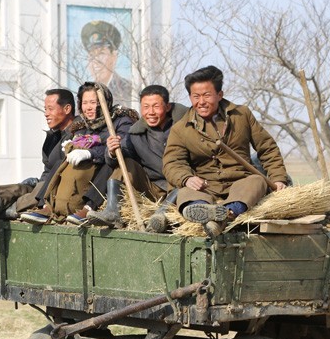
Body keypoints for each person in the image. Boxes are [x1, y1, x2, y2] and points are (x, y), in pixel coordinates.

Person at [162, 65, 289, 238]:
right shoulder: (180, 128)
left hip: (240, 182)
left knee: (257, 181)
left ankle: (226, 213)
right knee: (184, 193)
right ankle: (204, 211)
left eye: (207, 95)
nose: (201, 102)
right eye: (195, 96)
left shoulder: (242, 115)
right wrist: (187, 178)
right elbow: (172, 163)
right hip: (205, 187)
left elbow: (267, 147)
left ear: (219, 95)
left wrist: (278, 178)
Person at [20, 82, 137, 225]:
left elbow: (123, 144)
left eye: (93, 102)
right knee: (60, 161)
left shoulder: (121, 121)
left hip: (106, 167)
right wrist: (72, 147)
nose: (88, 107)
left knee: (111, 165)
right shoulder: (83, 126)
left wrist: (92, 153)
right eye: (84, 103)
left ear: (104, 102)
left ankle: (88, 208)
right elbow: (79, 142)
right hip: (87, 172)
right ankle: (45, 206)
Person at [0, 89, 76, 229]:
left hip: (57, 189)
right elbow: (47, 169)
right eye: (45, 109)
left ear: (67, 109)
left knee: (28, 198)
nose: (46, 114)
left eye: (50, 109)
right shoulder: (54, 136)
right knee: (12, 190)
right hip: (44, 183)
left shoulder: (78, 135)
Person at [86, 85, 187, 232]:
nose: (150, 112)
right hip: (154, 188)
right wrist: (112, 151)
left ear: (167, 107)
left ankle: (162, 215)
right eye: (146, 107)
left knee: (186, 178)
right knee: (126, 163)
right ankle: (113, 211)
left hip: (180, 185)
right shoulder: (135, 134)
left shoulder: (182, 128)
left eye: (156, 106)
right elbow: (116, 160)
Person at [81, 20, 132, 106]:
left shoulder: (128, 89)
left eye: (101, 53)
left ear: (114, 56)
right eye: (92, 55)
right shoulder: (84, 93)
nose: (96, 61)